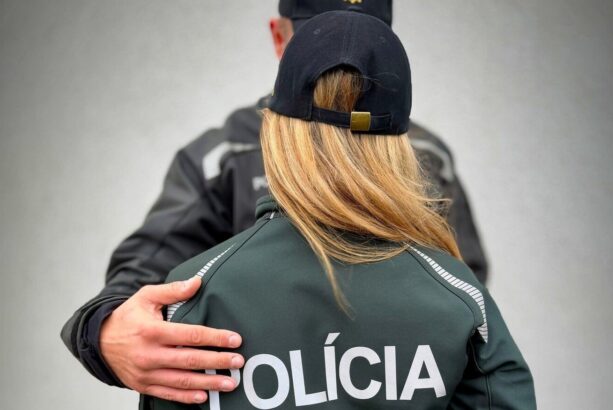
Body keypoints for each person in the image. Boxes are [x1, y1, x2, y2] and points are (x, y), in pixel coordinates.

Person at [61, 0, 488, 404]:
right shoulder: (227, 155)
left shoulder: (426, 156)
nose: (343, 54)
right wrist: (105, 330)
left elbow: (466, 296)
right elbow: (144, 276)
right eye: (316, 36)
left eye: (368, 36)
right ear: (279, 36)